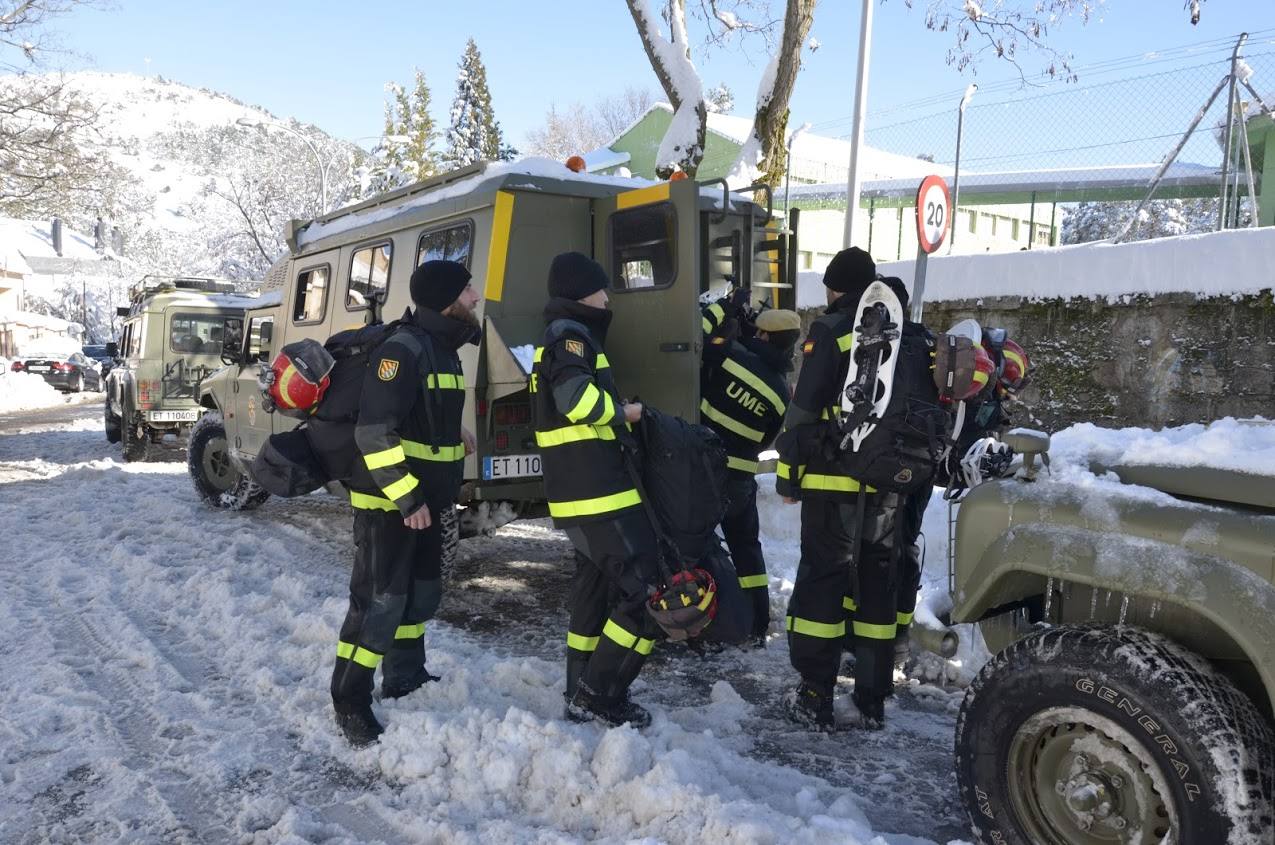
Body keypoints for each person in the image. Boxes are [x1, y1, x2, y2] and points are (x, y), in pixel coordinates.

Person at [330, 260, 480, 746]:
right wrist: (408, 497)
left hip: (428, 505)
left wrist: (449, 430)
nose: (475, 297)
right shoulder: (401, 349)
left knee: (418, 597)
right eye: (468, 289)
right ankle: (351, 701)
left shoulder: (441, 347)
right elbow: (374, 431)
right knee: (378, 604)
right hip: (391, 506)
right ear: (446, 300)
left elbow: (416, 410)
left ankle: (404, 677)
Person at [775, 247, 923, 731]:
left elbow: (804, 409)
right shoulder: (911, 335)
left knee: (825, 579)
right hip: (888, 483)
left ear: (837, 289)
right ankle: (872, 697)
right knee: (877, 582)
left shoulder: (834, 331)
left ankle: (815, 694)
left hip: (831, 479)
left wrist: (787, 473)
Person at [531, 251, 660, 728]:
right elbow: (575, 399)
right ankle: (599, 694)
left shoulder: (561, 336)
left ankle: (579, 687)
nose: (608, 298)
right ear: (582, 293)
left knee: (594, 592)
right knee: (648, 593)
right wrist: (624, 413)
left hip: (579, 492)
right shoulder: (570, 336)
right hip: (599, 492)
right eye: (601, 289)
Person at [700, 300, 800, 643]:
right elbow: (767, 437)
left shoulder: (731, 357)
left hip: (706, 473)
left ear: (764, 335)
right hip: (742, 482)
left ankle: (711, 621)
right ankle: (757, 625)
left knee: (695, 545)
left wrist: (721, 309)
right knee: (747, 549)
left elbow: (696, 338)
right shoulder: (780, 393)